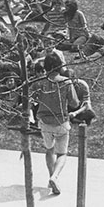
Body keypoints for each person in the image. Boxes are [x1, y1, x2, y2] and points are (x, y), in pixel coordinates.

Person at [30, 54, 79, 195]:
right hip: (61, 122)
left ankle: (51, 177)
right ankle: (55, 177)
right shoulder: (66, 82)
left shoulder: (39, 83)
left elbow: (30, 100)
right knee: (62, 153)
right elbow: (74, 103)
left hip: (45, 123)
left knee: (49, 150)